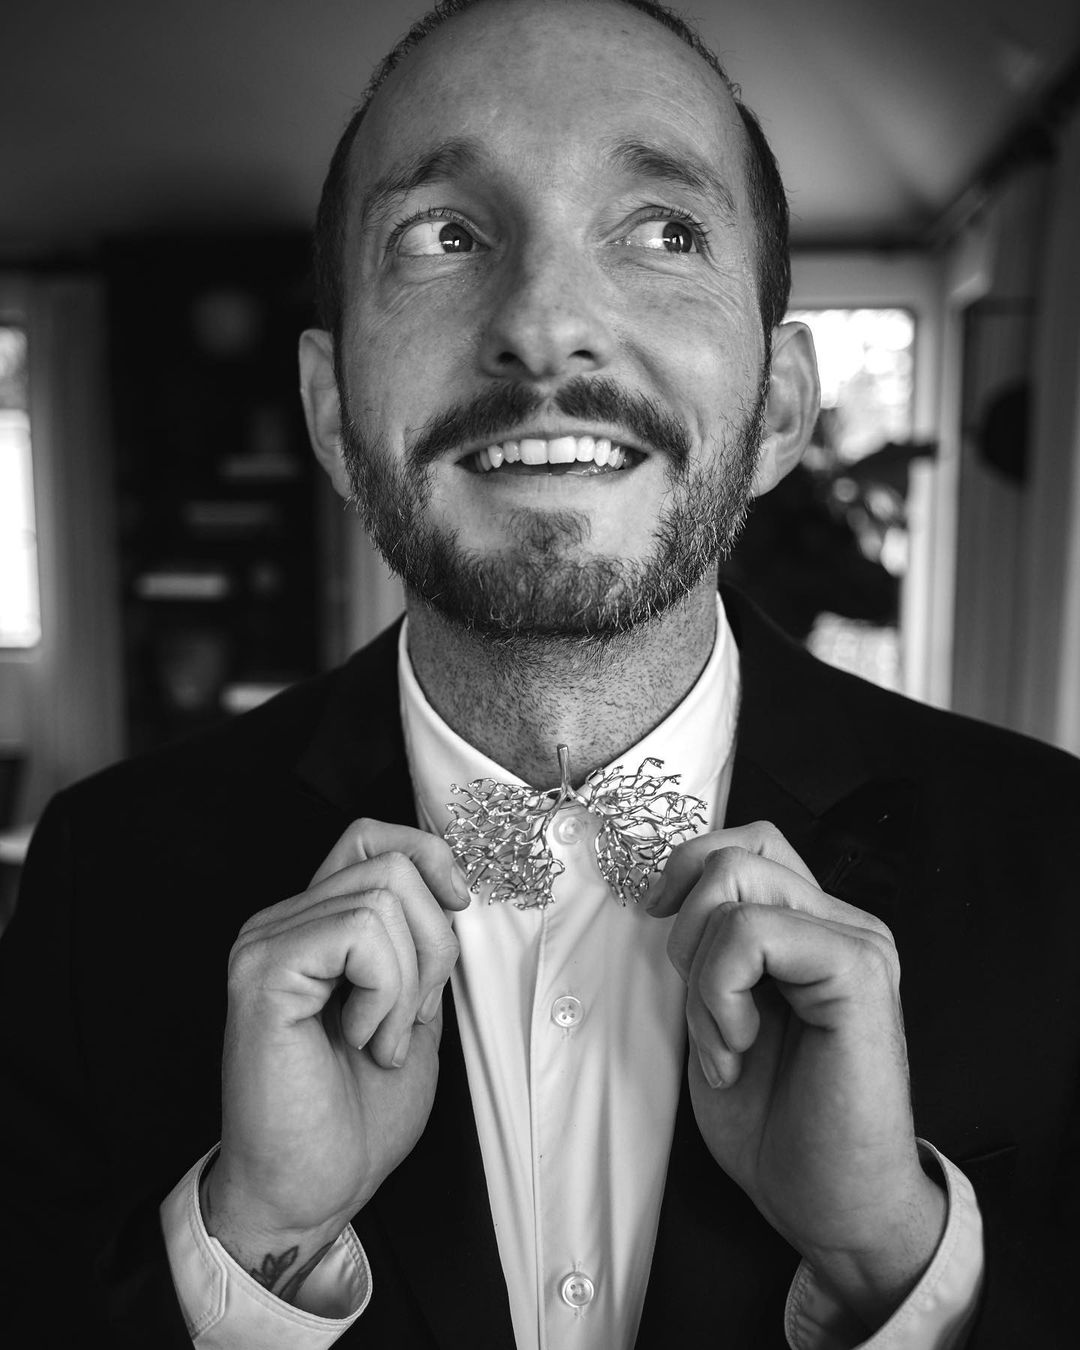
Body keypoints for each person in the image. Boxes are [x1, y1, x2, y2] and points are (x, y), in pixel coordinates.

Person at [2, 1, 1078, 1347]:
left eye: (664, 231)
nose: (548, 324)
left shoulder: (1060, 858)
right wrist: (255, 1243)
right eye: (444, 236)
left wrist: (891, 1261)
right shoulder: (104, 876)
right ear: (333, 413)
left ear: (781, 407)